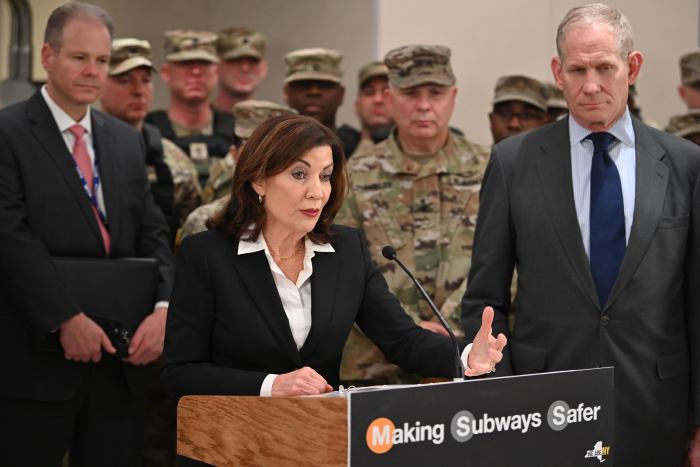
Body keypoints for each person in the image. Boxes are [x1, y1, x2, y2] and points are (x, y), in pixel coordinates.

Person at [460, 4, 700, 466]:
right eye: (577, 69)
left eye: (605, 68)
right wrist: (500, 406)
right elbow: (484, 300)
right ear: (558, 72)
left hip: (656, 412)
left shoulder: (685, 165)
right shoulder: (514, 163)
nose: (591, 85)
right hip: (541, 411)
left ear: (632, 67)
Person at [162, 115, 506, 402]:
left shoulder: (346, 251)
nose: (317, 191)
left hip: (318, 442)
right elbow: (180, 373)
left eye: (325, 175)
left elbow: (401, 339)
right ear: (258, 180)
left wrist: (465, 356)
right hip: (232, 445)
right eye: (299, 174)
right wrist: (271, 385)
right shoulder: (206, 254)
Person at [0, 3, 175, 466]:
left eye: (102, 61)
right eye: (80, 58)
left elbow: (153, 228)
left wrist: (164, 306)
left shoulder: (125, 139)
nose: (92, 71)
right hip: (36, 358)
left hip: (122, 360)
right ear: (47, 56)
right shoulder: (7, 132)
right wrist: (65, 318)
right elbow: (9, 237)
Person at [335, 45, 489, 386]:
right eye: (410, 93)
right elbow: (341, 270)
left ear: (453, 96)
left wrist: (448, 327)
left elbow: (505, 262)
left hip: (468, 359)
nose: (423, 105)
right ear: (389, 98)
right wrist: (406, 331)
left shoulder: (491, 168)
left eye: (435, 93)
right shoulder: (353, 174)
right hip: (376, 366)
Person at [101, 37, 201, 236]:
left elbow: (192, 228)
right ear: (99, 85)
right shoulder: (81, 150)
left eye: (145, 81)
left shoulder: (173, 159)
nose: (138, 91)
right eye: (124, 80)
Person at [182, 100, 297, 240]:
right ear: (234, 153)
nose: (264, 154)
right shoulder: (205, 220)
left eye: (275, 146)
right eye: (251, 144)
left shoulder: (312, 218)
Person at [146, 30, 234, 186]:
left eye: (204, 64)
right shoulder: (146, 134)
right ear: (166, 73)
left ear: (217, 73)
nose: (195, 72)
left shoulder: (237, 134)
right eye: (185, 64)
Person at [282, 47, 360, 156]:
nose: (314, 92)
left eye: (325, 85)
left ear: (341, 94)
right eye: (303, 84)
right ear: (286, 93)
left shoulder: (359, 150)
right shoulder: (271, 150)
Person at [213, 27, 268, 114]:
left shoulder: (273, 125)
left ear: (263, 68)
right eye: (235, 60)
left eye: (253, 61)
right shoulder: (198, 121)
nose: (245, 68)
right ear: (216, 66)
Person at [488, 74, 548, 144]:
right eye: (504, 114)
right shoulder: (475, 154)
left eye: (528, 116)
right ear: (491, 119)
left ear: (545, 125)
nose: (514, 124)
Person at [353, 60, 393, 155]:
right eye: (369, 92)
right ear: (356, 105)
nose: (378, 100)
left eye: (386, 92)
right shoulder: (337, 156)